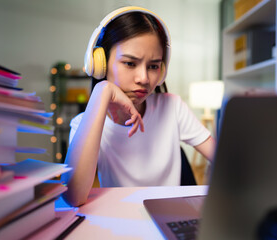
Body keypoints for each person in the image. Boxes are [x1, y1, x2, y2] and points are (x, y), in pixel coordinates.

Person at [62, 6, 215, 207]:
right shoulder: (83, 124)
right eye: (130, 63)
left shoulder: (172, 107)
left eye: (153, 66)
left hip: (169, 217)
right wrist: (102, 91)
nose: (143, 79)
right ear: (100, 65)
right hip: (123, 221)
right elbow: (74, 196)